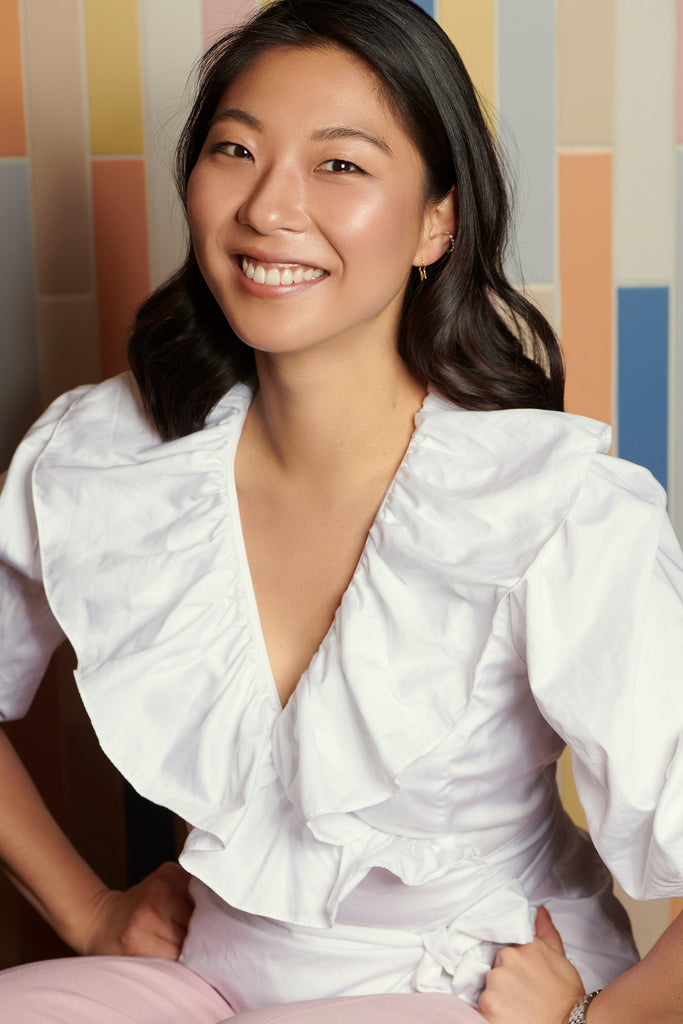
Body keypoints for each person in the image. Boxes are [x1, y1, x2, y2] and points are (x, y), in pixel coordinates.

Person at [0, 0, 681, 1021]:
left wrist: (590, 1022)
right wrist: (91, 911)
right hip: (205, 975)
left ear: (435, 222)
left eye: (340, 165)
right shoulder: (104, 456)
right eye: (235, 149)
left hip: (457, 987)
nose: (269, 207)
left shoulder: (553, 507)